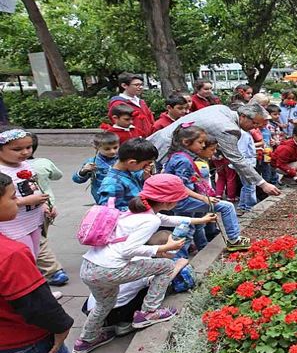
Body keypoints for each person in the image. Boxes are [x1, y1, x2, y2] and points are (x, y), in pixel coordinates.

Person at [72, 174, 216, 353]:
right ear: (168, 201)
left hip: (89, 268)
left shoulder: (133, 213)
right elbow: (129, 250)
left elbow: (168, 220)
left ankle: (85, 340)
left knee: (104, 304)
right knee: (165, 265)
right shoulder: (151, 220)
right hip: (110, 270)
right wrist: (164, 247)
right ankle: (149, 313)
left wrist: (201, 220)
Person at [0, 172, 74, 353]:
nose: (17, 201)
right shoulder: (10, 253)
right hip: (21, 342)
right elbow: (35, 302)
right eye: (13, 196)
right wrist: (62, 326)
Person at [148, 103, 281, 199]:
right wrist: (262, 184)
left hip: (164, 141)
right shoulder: (228, 128)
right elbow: (237, 160)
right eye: (255, 123)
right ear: (244, 116)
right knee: (163, 185)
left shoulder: (222, 109)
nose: (255, 128)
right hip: (167, 149)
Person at [81, 231, 190, 338]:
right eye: (174, 252)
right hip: (111, 314)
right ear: (164, 252)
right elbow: (163, 280)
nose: (175, 256)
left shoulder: (134, 254)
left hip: (92, 308)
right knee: (158, 285)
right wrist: (179, 265)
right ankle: (135, 318)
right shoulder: (148, 264)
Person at [162, 125, 250, 253]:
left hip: (180, 200)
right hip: (182, 200)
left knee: (187, 229)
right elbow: (179, 186)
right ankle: (234, 240)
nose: (203, 146)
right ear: (186, 142)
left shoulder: (178, 156)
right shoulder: (183, 160)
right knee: (227, 207)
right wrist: (203, 198)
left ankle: (180, 256)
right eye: (200, 142)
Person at [28, 134, 69, 287]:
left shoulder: (20, 168)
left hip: (36, 207)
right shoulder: (43, 163)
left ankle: (53, 271)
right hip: (48, 205)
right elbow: (57, 175)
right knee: (39, 237)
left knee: (39, 240)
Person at [0, 128, 48, 257]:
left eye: (29, 147)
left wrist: (43, 205)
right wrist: (25, 201)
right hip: (12, 225)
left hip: (33, 220)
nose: (25, 152)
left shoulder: (24, 164)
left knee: (35, 255)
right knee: (24, 256)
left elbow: (33, 186)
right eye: (17, 149)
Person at [97, 138, 158, 212]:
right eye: (146, 164)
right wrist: (138, 209)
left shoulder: (130, 170)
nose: (147, 166)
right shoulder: (113, 183)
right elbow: (107, 210)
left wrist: (144, 177)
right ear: (132, 162)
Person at [73, 132, 120, 204]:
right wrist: (83, 171)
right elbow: (77, 179)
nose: (112, 151)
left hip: (122, 196)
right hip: (102, 198)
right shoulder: (92, 162)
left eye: (115, 147)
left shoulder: (123, 160)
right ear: (96, 148)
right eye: (107, 149)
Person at [107, 73, 155, 137]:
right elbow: (118, 125)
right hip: (131, 140)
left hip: (148, 138)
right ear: (124, 85)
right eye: (136, 85)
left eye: (141, 85)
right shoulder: (117, 103)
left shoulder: (141, 102)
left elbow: (150, 119)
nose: (140, 87)